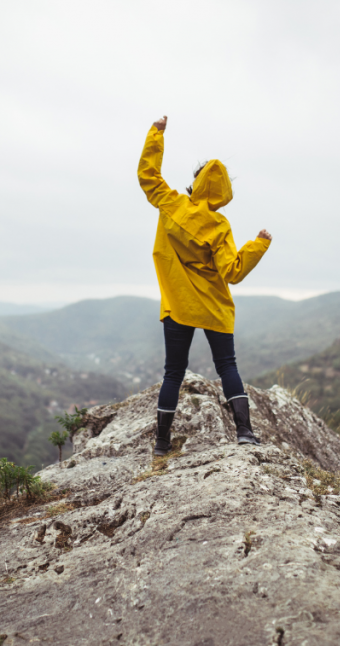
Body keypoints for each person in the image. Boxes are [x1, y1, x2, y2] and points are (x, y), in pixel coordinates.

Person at [137, 115, 272, 456]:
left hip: (179, 304)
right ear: (225, 191)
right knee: (227, 365)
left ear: (196, 184)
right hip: (212, 306)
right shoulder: (219, 226)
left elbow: (148, 176)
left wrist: (157, 134)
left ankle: (162, 443)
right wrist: (258, 244)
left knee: (173, 372)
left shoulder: (171, 204)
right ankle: (244, 432)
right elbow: (233, 272)